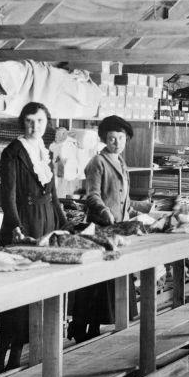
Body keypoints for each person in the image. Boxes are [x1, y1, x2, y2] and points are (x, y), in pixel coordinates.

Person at [0, 101, 66, 374]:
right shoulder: (13, 152)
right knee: (16, 294)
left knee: (39, 291)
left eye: (40, 121)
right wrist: (14, 225)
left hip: (46, 220)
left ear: (46, 124)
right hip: (25, 222)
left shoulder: (44, 151)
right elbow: (7, 193)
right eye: (29, 121)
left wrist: (63, 222)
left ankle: (19, 354)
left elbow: (53, 191)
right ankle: (2, 355)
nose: (35, 126)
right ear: (22, 123)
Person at [69, 115, 153, 342]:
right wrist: (104, 211)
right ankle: (81, 328)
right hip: (101, 229)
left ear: (127, 139)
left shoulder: (122, 163)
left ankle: (94, 329)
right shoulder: (98, 162)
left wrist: (145, 206)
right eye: (112, 138)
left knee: (109, 281)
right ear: (105, 140)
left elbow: (123, 200)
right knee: (96, 283)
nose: (117, 142)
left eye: (121, 138)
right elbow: (92, 195)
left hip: (120, 229)